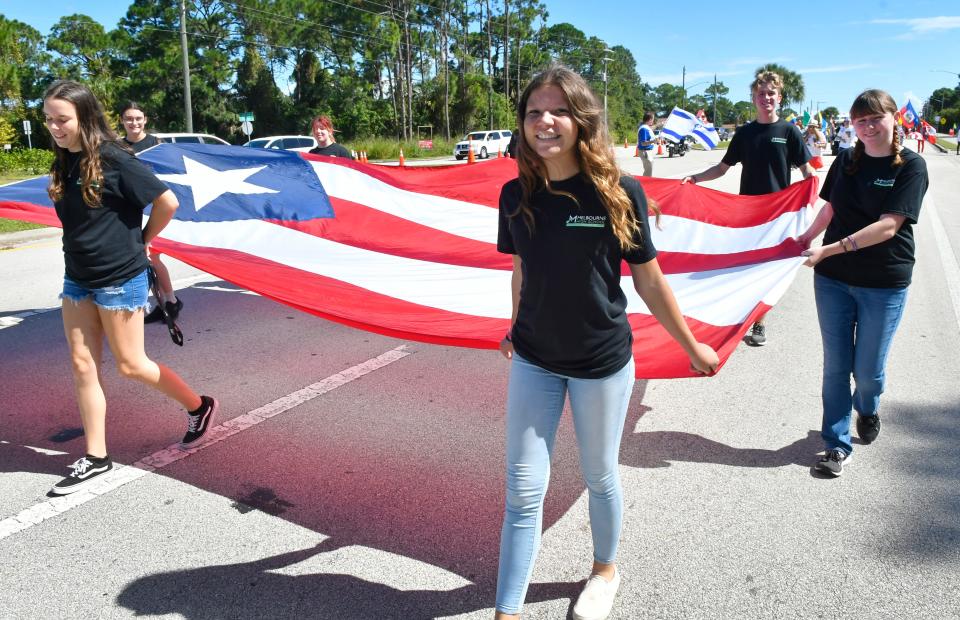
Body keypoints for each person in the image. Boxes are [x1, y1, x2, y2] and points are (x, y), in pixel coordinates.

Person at [494, 65, 718, 620]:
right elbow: (523, 269)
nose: (544, 122)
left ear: (581, 119)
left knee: (599, 475)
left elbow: (649, 279)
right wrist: (514, 323)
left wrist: (692, 346)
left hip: (601, 363)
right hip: (535, 358)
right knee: (523, 489)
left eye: (557, 111)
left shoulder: (619, 193)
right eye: (532, 113)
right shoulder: (513, 193)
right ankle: (507, 611)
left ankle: (604, 571)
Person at [42, 80, 218, 495]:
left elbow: (167, 201)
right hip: (77, 279)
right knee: (83, 366)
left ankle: (199, 406)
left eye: (62, 119)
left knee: (131, 364)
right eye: (49, 119)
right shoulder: (64, 160)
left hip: (120, 278)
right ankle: (96, 456)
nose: (54, 127)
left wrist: (143, 240)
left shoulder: (114, 158)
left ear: (84, 117)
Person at [797, 89, 928, 476]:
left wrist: (830, 249)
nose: (869, 127)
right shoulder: (846, 160)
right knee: (837, 366)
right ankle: (836, 445)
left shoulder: (911, 166)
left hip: (884, 282)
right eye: (861, 120)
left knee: (868, 371)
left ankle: (867, 407)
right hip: (834, 281)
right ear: (852, 124)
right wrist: (806, 238)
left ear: (893, 119)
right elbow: (831, 206)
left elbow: (889, 227)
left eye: (876, 119)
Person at [681, 70, 814, 346]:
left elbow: (806, 170)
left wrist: (813, 191)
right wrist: (695, 179)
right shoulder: (745, 133)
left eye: (771, 94)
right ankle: (742, 315)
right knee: (747, 265)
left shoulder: (789, 131)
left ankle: (758, 323)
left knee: (768, 268)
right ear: (754, 98)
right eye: (761, 93)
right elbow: (721, 168)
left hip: (779, 215)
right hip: (748, 213)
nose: (766, 98)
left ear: (779, 98)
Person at [118, 101, 182, 325]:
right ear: (122, 121)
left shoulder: (157, 144)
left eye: (138, 118)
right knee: (144, 258)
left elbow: (172, 175)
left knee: (152, 256)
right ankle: (164, 302)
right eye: (129, 118)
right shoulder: (118, 146)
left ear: (145, 120)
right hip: (131, 209)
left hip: (154, 208)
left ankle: (171, 301)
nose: (133, 122)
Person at [636, 111, 656, 177]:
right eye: (653, 119)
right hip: (645, 151)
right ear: (650, 119)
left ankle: (647, 184)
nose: (653, 120)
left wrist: (660, 124)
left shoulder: (646, 127)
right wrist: (653, 141)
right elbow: (643, 143)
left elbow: (653, 127)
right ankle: (646, 185)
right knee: (648, 172)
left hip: (647, 151)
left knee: (649, 171)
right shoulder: (644, 129)